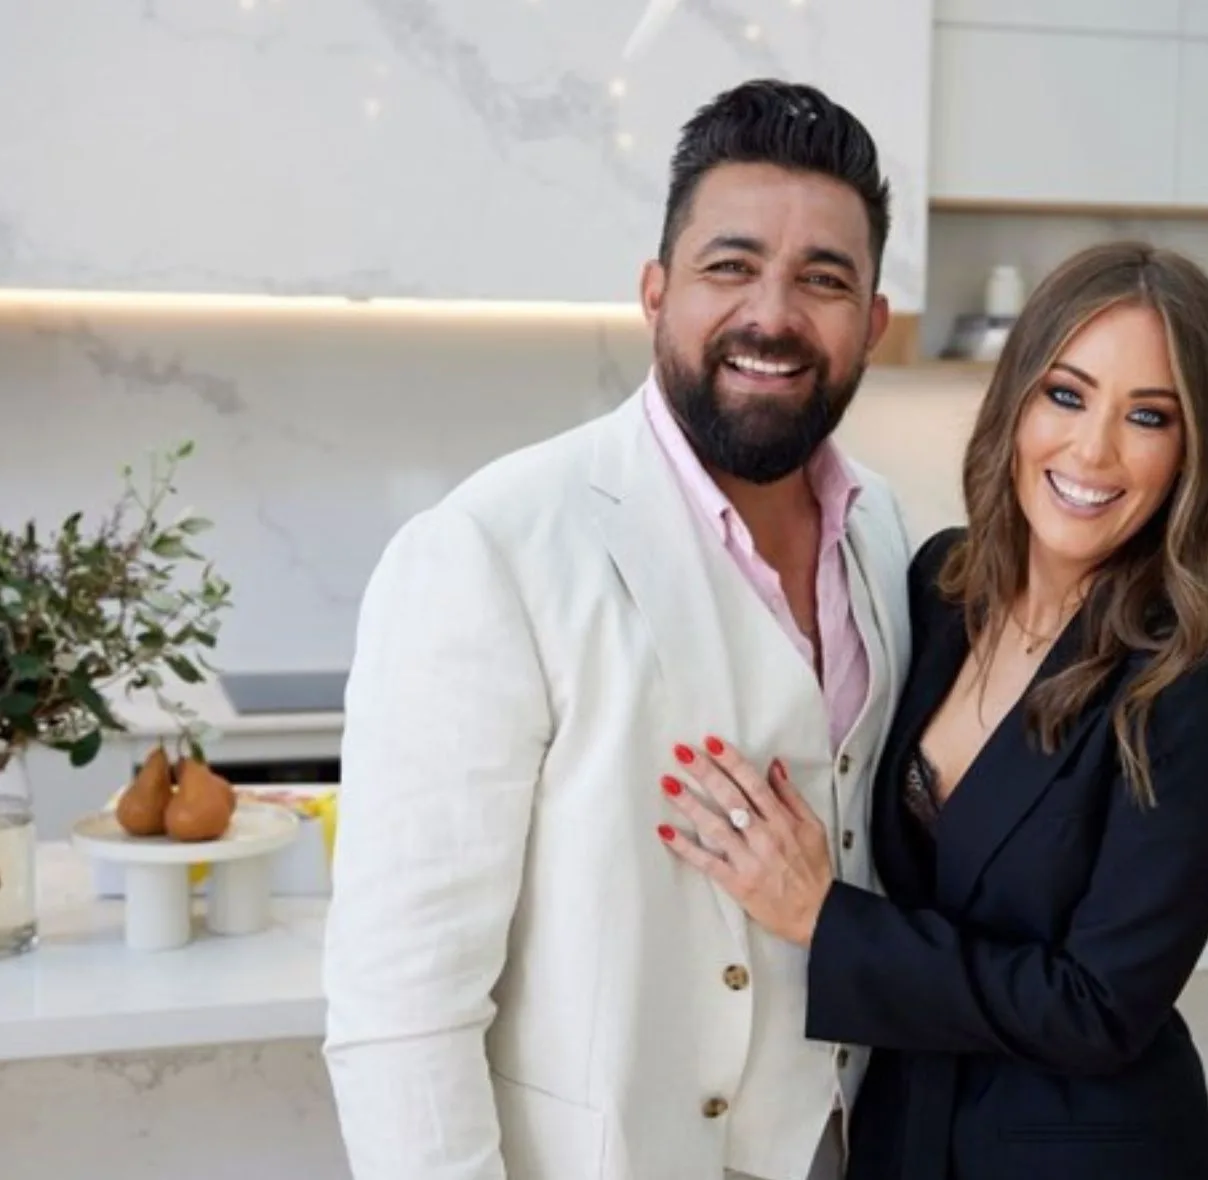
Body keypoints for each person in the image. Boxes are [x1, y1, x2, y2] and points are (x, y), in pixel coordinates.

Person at [322, 79, 915, 1180]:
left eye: (823, 279)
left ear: (872, 320)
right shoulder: (489, 549)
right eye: (729, 266)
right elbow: (400, 1003)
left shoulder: (889, 533)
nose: (773, 316)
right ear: (656, 292)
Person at [657, 241, 1208, 1179]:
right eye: (1066, 396)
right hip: (905, 1136)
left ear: (1193, 452)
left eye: (1148, 417)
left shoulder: (1201, 682)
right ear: (1018, 402)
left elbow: (1098, 1006)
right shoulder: (942, 587)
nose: (1092, 450)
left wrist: (823, 918)